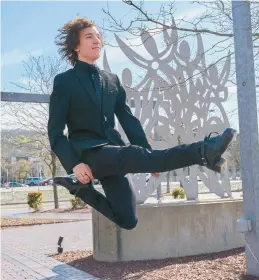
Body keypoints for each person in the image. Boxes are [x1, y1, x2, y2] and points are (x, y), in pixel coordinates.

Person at [48, 17, 236, 230]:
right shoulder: (64, 81)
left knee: (128, 219)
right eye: (89, 36)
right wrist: (74, 163)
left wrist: (149, 157)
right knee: (129, 154)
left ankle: (78, 188)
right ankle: (204, 151)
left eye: (99, 36)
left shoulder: (111, 79)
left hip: (111, 152)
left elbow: (128, 119)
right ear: (76, 46)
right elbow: (55, 132)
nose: (97, 40)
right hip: (87, 152)